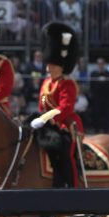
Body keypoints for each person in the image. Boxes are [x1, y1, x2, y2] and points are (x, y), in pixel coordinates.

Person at [32, 21, 83, 189]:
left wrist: (46, 118)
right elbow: (42, 105)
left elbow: (65, 107)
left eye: (52, 64)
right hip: (47, 124)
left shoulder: (67, 84)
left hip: (65, 125)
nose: (48, 67)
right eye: (48, 63)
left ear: (61, 66)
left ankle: (72, 186)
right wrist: (40, 117)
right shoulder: (46, 82)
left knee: (66, 151)